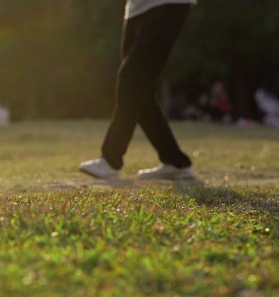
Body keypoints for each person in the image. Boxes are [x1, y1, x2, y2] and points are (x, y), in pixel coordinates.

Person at [79, 0, 196, 180]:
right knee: (141, 93)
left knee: (130, 82)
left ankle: (111, 159)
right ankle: (174, 161)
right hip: (136, 9)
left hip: (165, 4)